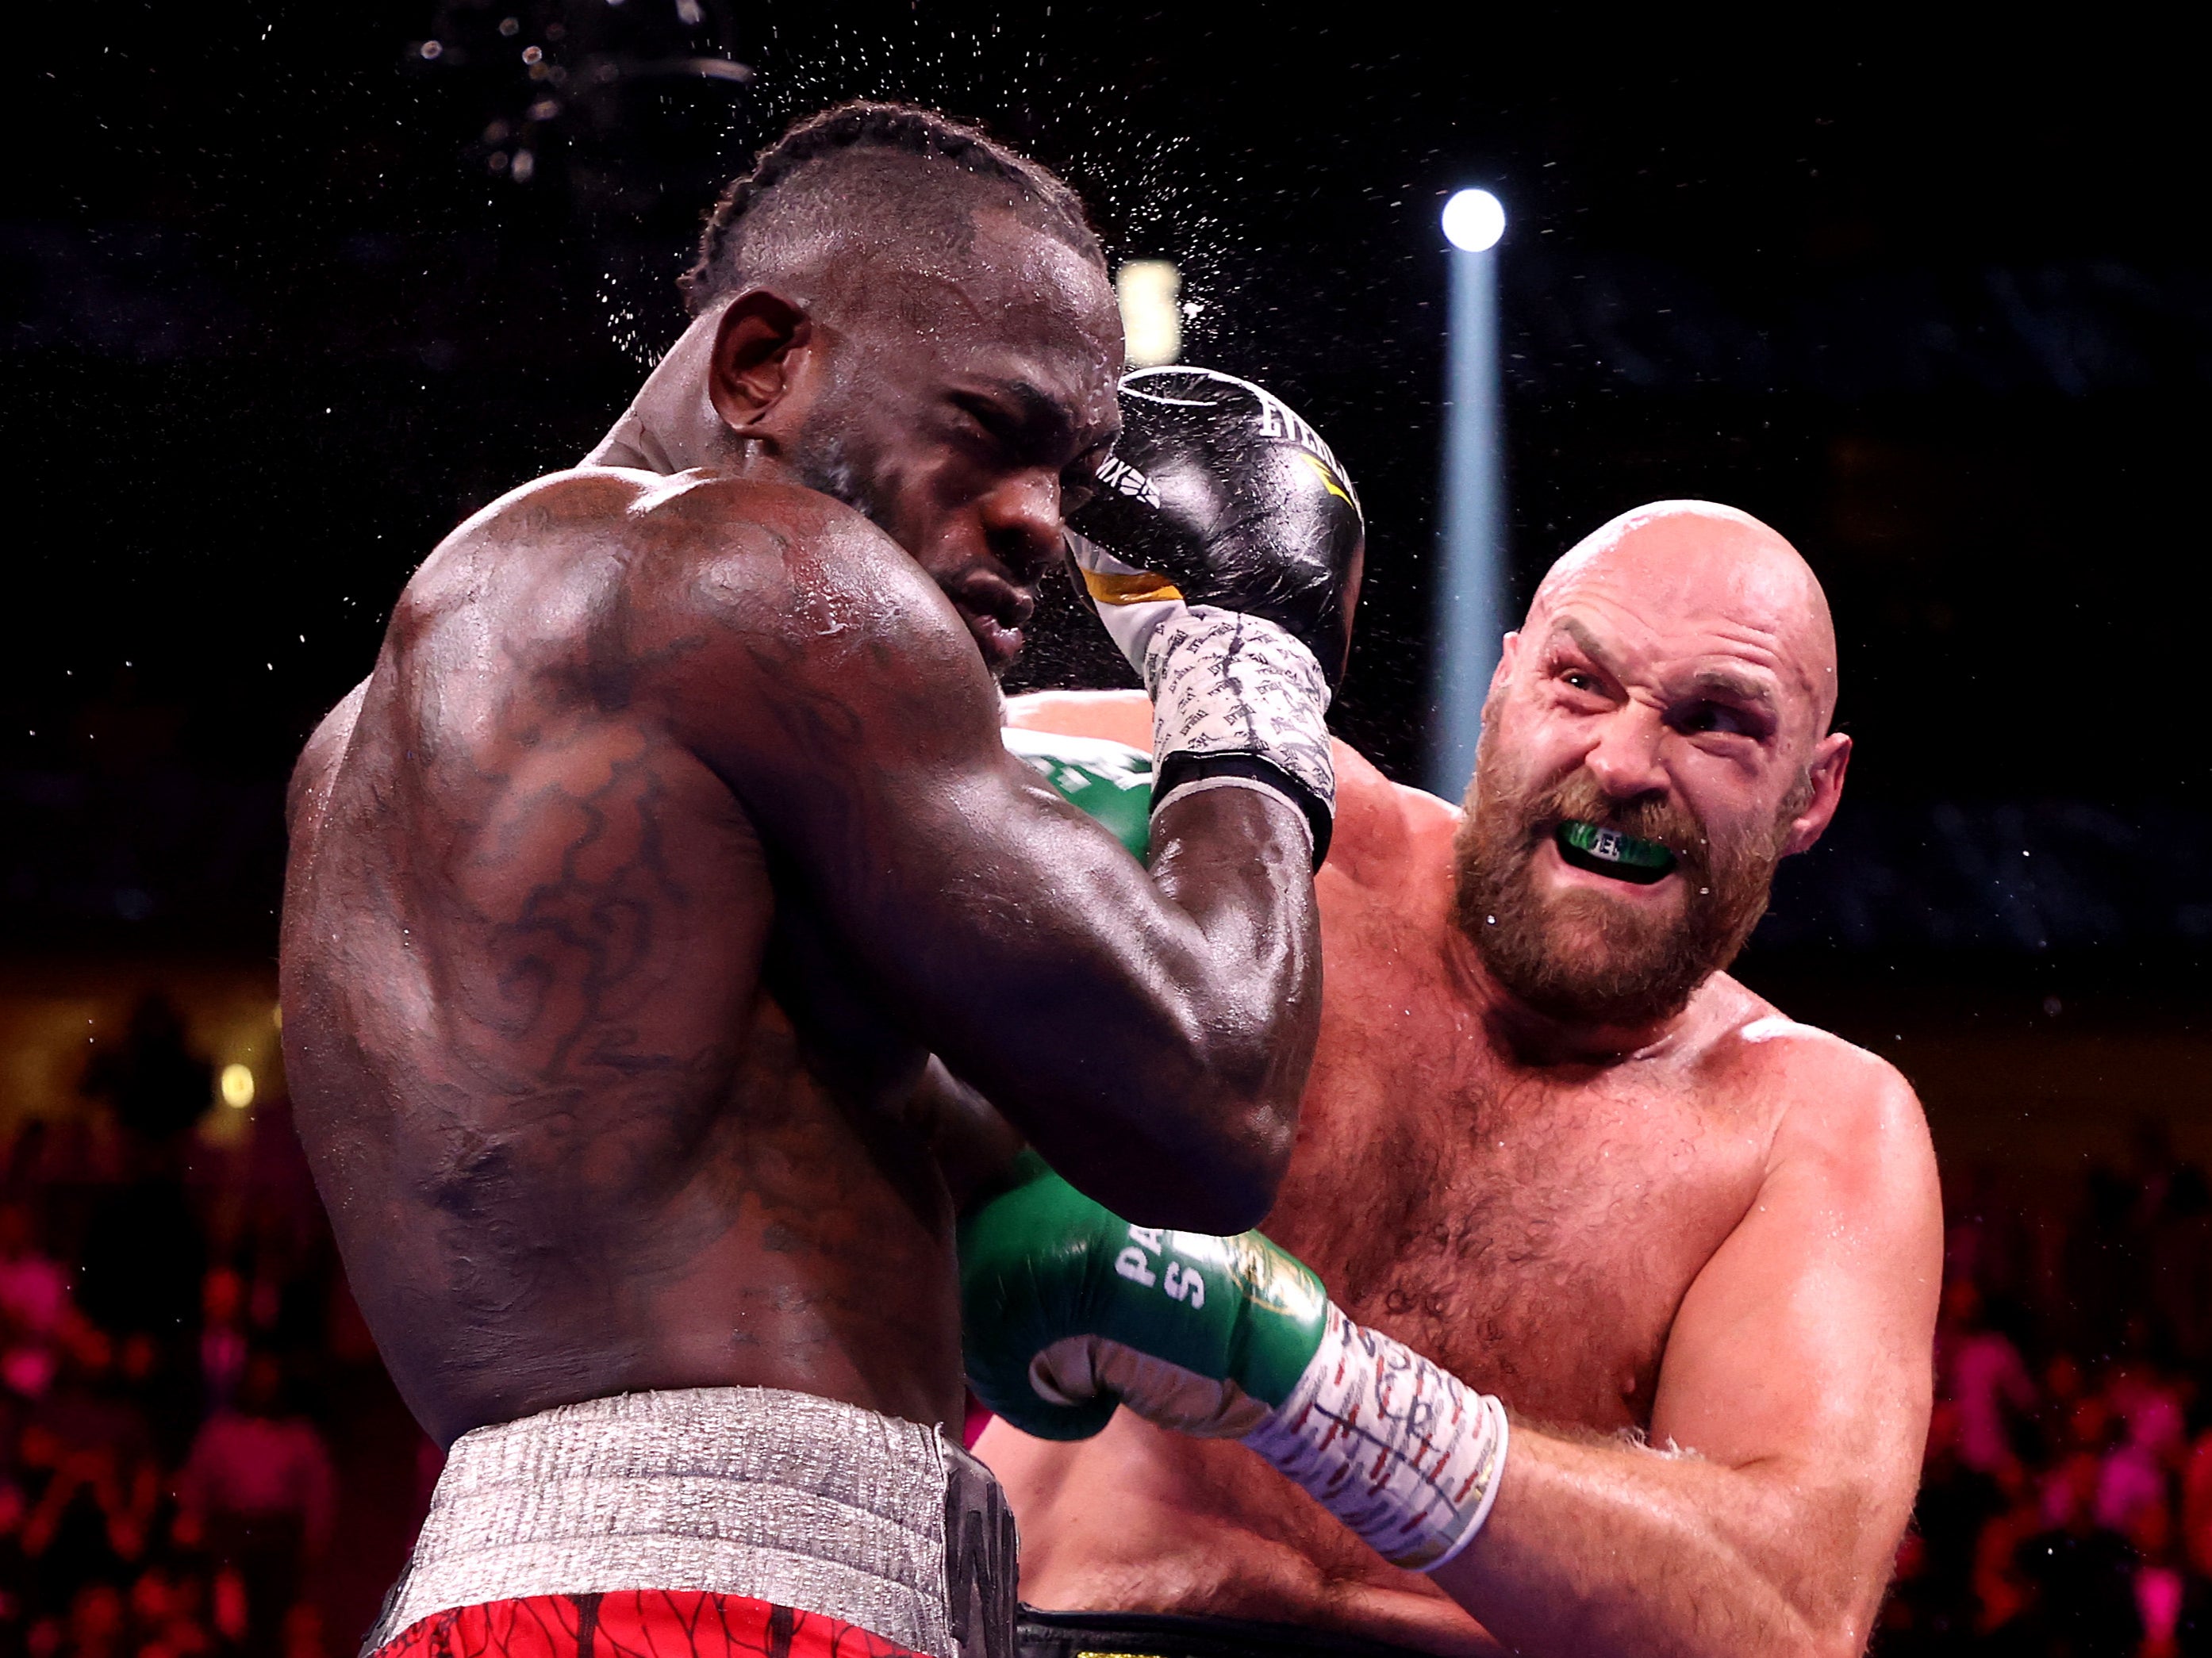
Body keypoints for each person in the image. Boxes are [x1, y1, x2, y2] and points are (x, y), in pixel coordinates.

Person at [279, 101, 1358, 1658]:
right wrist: (1244, 698)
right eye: (991, 431)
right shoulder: (765, 574)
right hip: (730, 1603)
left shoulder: (371, 739)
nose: (1044, 528)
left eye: (1074, 471)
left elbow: (829, 1145)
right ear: (759, 365)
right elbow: (1213, 1102)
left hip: (500, 1588)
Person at [966, 499, 1943, 1658]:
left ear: (1813, 793)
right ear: (1504, 684)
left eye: (1716, 722)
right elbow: (826, 747)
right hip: (1052, 1624)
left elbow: (1783, 1619)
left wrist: (1302, 1375)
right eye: (1581, 682)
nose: (1626, 762)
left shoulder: (1811, 1126)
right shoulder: (1270, 830)